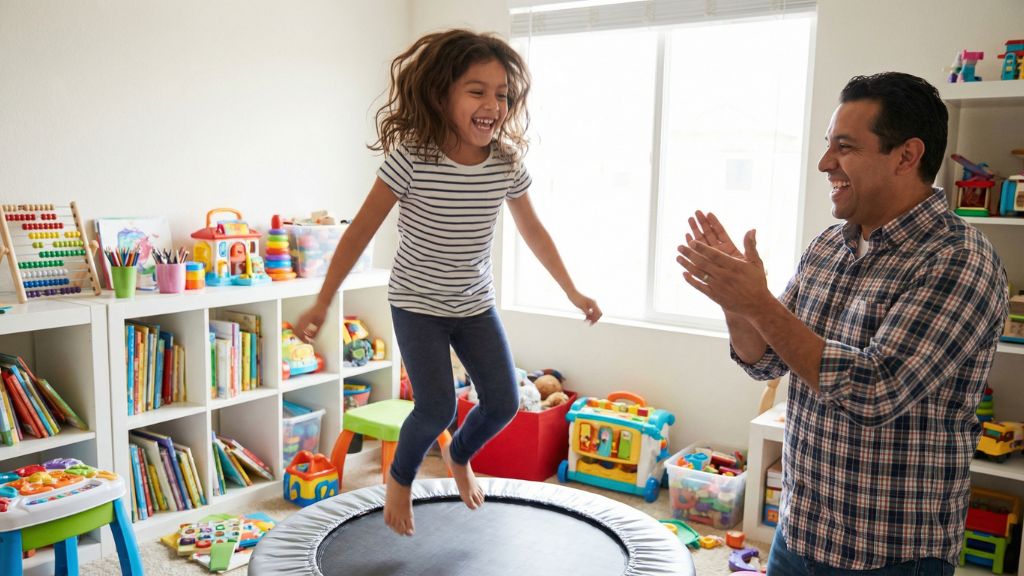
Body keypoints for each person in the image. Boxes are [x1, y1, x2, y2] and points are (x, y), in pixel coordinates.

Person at [676, 72, 1007, 574]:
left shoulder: (959, 260)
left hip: (891, 554)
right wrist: (735, 302)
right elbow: (764, 361)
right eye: (828, 146)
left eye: (845, 147)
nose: (824, 163)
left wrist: (759, 303)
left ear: (906, 156)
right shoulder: (828, 246)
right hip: (801, 529)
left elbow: (875, 390)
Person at [294, 29, 601, 537]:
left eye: (502, 94)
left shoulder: (504, 163)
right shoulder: (412, 158)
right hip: (416, 303)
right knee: (435, 405)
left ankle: (459, 456)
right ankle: (400, 477)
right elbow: (358, 234)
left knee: (503, 401)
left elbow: (534, 231)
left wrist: (572, 291)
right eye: (476, 91)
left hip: (475, 304)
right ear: (443, 95)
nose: (493, 104)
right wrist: (323, 302)